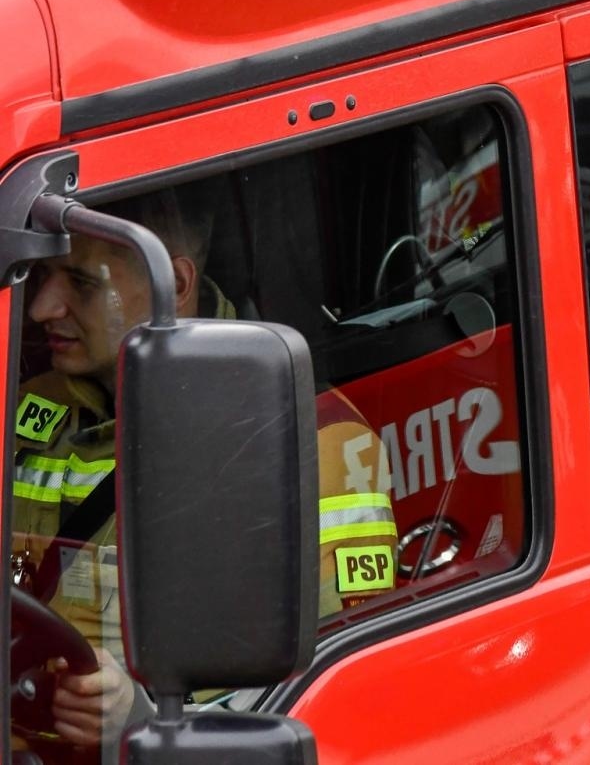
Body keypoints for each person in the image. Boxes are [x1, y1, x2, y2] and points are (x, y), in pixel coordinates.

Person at [10, 186, 397, 756]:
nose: (43, 307)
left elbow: (336, 691)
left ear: (177, 284)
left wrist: (139, 718)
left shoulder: (322, 444)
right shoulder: (27, 408)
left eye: (83, 284)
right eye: (42, 277)